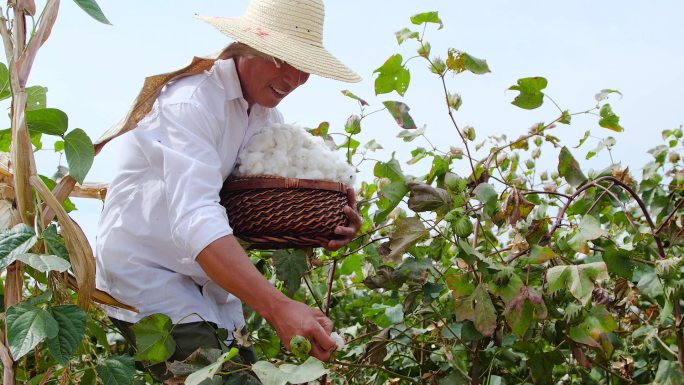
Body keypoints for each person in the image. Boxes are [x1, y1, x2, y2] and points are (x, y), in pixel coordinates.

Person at [94, 0, 362, 382]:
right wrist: (279, 307)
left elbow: (256, 211)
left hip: (211, 286)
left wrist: (328, 225)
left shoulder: (267, 118)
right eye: (282, 59)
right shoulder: (192, 103)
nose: (293, 78)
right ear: (246, 46)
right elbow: (196, 220)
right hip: (149, 278)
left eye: (304, 67)